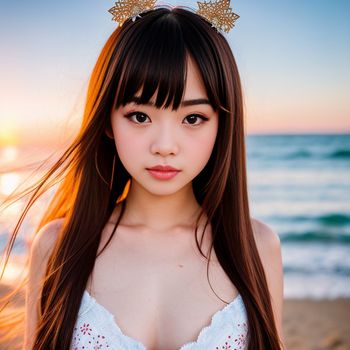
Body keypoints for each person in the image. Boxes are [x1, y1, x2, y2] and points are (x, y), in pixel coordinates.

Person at [0, 2, 284, 349]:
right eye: (139, 116)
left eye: (192, 118)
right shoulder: (58, 245)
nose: (165, 145)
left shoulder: (257, 247)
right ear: (107, 119)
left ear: (223, 124)